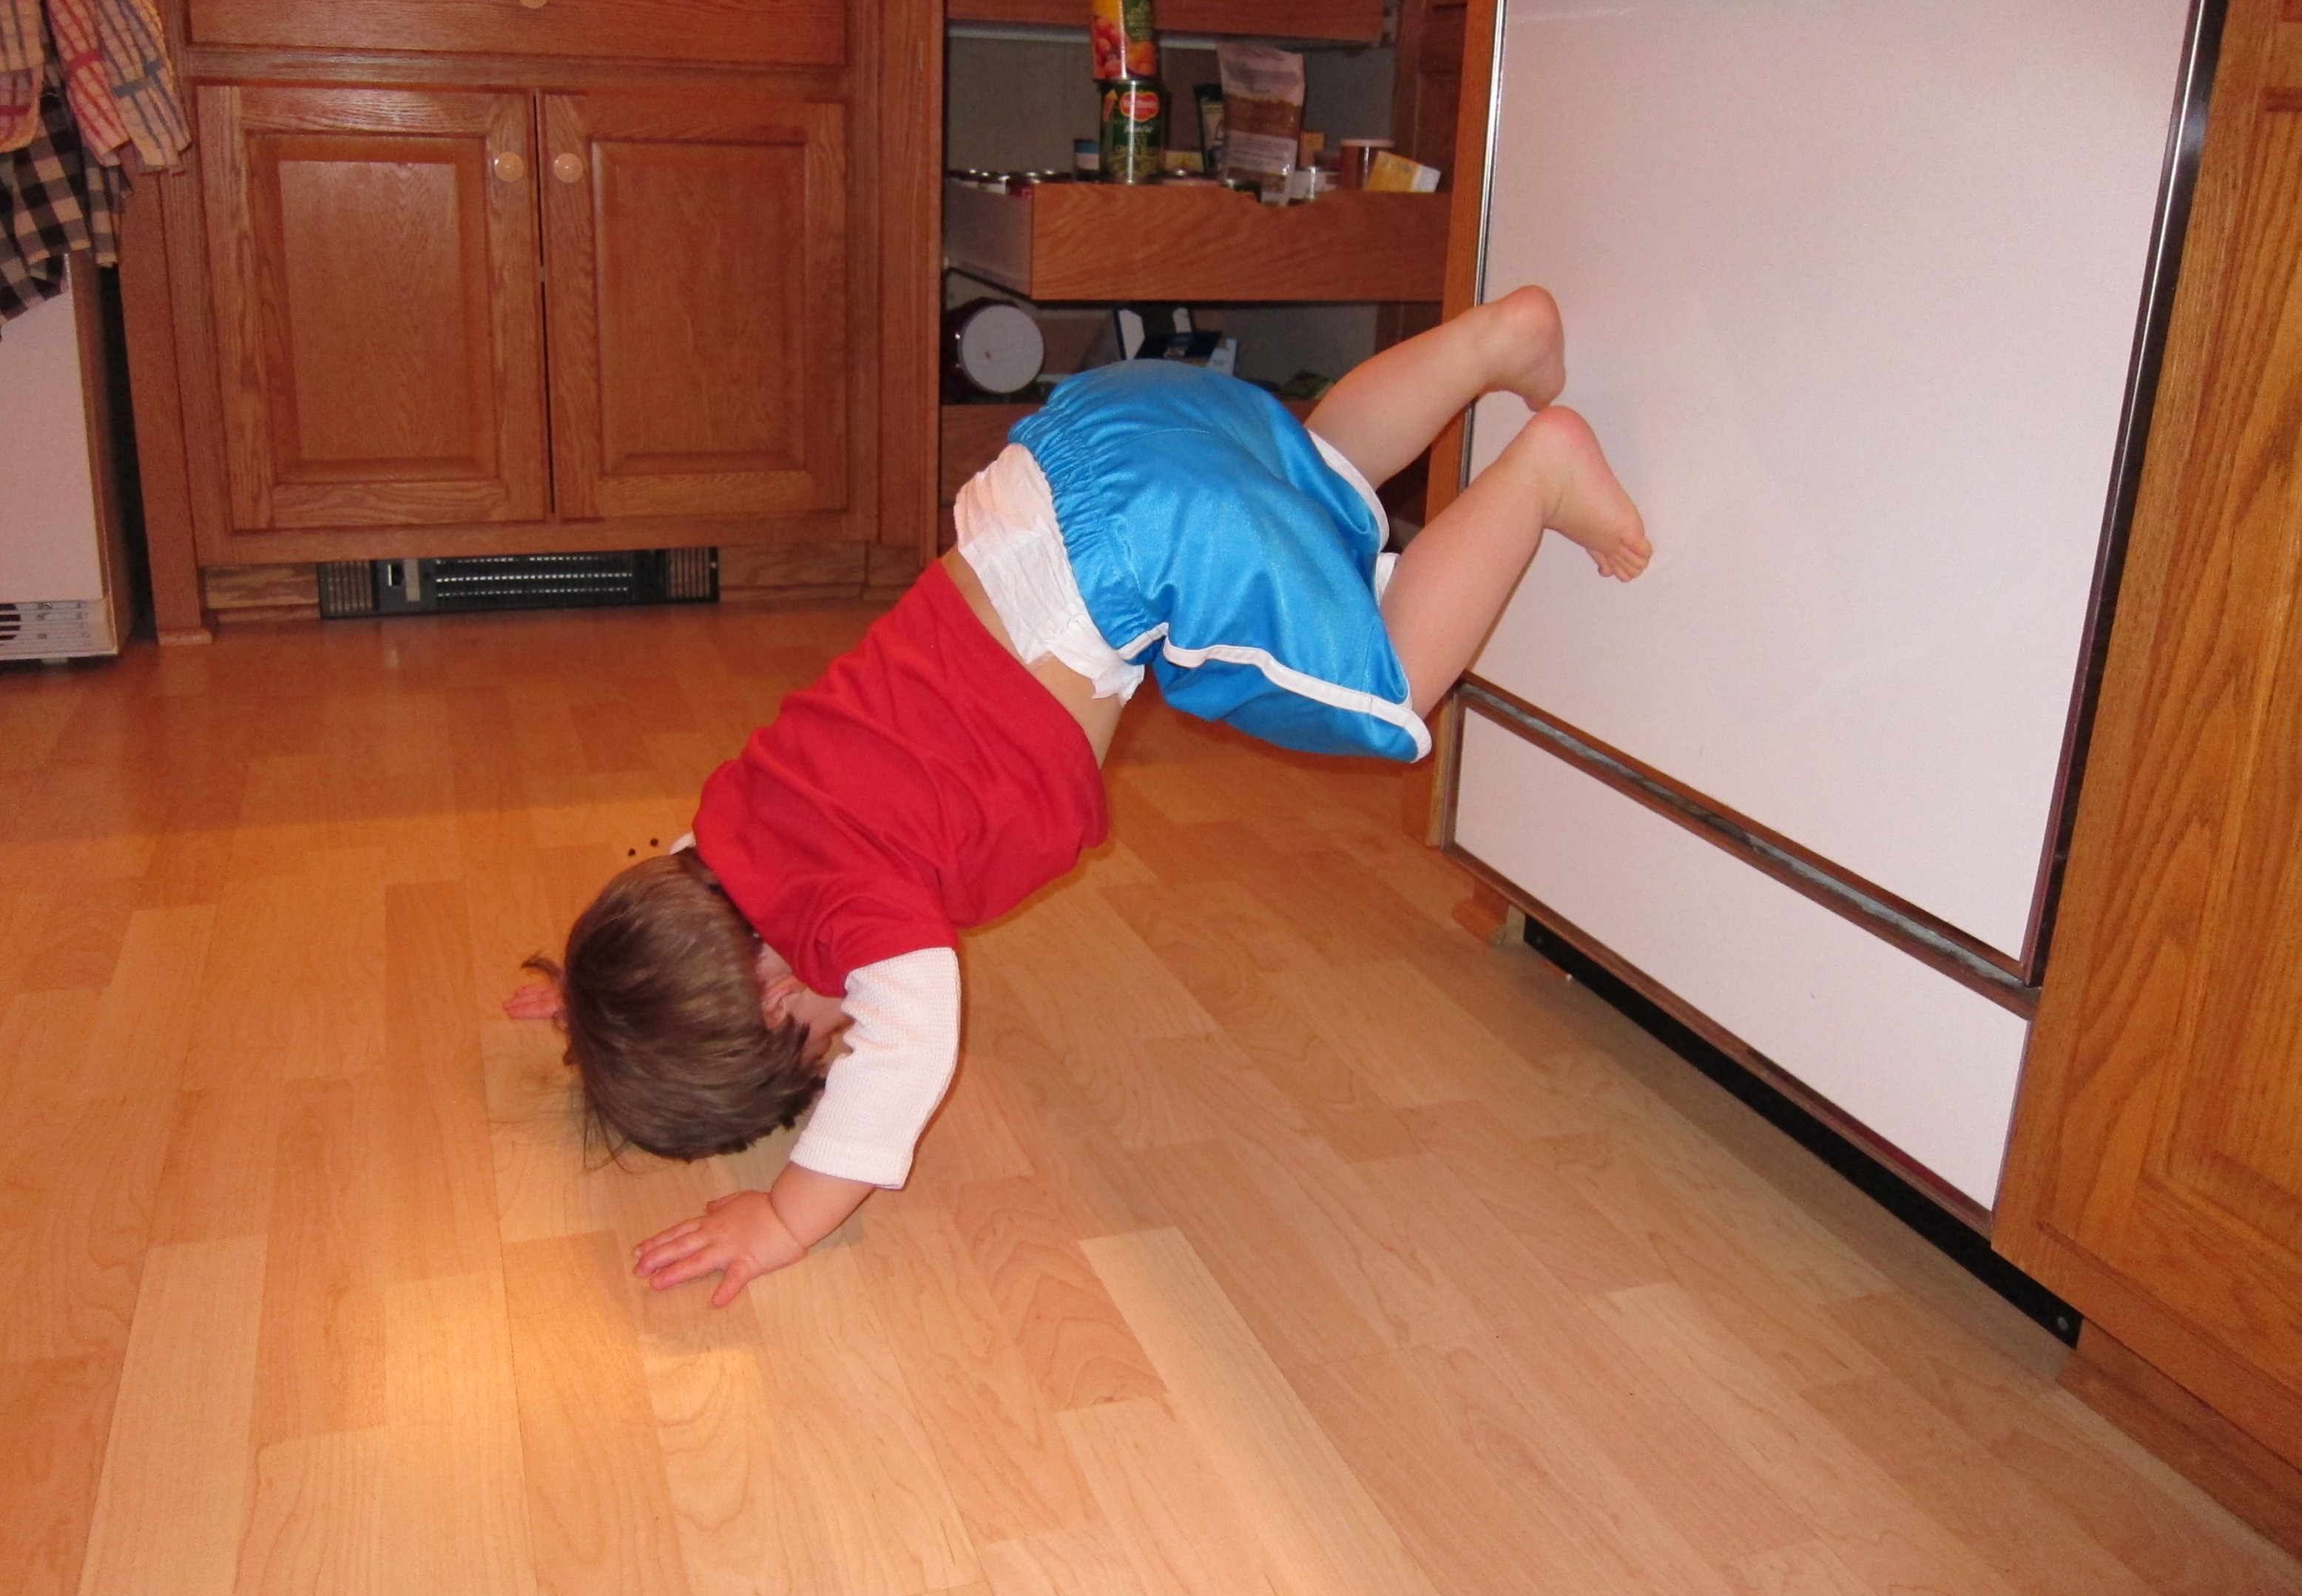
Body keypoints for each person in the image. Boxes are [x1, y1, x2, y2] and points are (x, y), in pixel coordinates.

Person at [504, 287, 1651, 1306]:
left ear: (769, 994)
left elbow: (907, 1047)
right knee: (1306, 465)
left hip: (1133, 559)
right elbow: (683, 891)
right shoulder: (739, 818)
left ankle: (1537, 477)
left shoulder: (838, 915)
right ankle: (1497, 340)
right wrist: (603, 995)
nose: (842, 1022)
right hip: (1075, 449)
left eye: (814, 1039)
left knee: (1387, 687)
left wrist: (788, 1214)